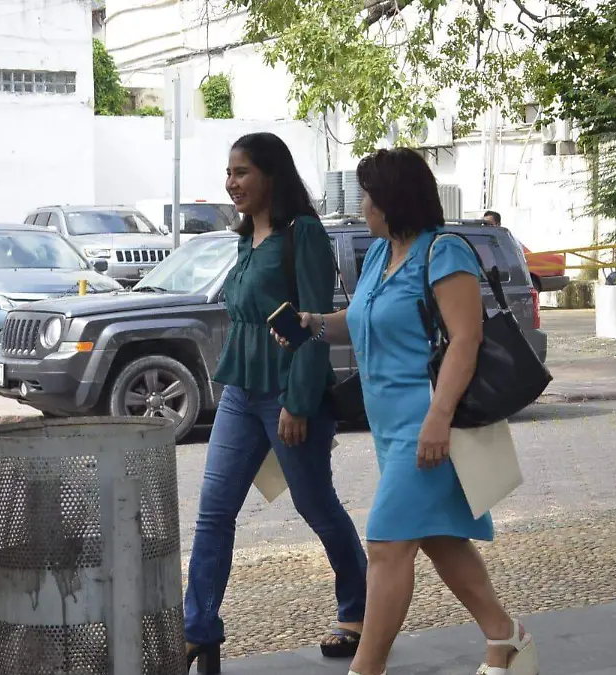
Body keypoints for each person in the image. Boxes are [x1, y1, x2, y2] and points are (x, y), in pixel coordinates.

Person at [275, 148, 538, 675]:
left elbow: (465, 340)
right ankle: (506, 639)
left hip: (429, 421)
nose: (362, 206)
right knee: (441, 539)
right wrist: (311, 323)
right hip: (389, 425)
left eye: (368, 196)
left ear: (391, 200)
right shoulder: (379, 254)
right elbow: (360, 319)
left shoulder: (443, 253)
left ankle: (366, 669)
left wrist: (437, 419)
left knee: (388, 543)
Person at [183, 132, 368, 673]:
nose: (231, 182)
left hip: (289, 394)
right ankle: (199, 630)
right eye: (229, 172)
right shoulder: (246, 238)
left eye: (242, 172)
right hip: (240, 391)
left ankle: (357, 611)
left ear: (271, 175)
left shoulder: (301, 233)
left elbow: (313, 321)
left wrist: (299, 400)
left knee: (316, 506)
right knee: (213, 513)